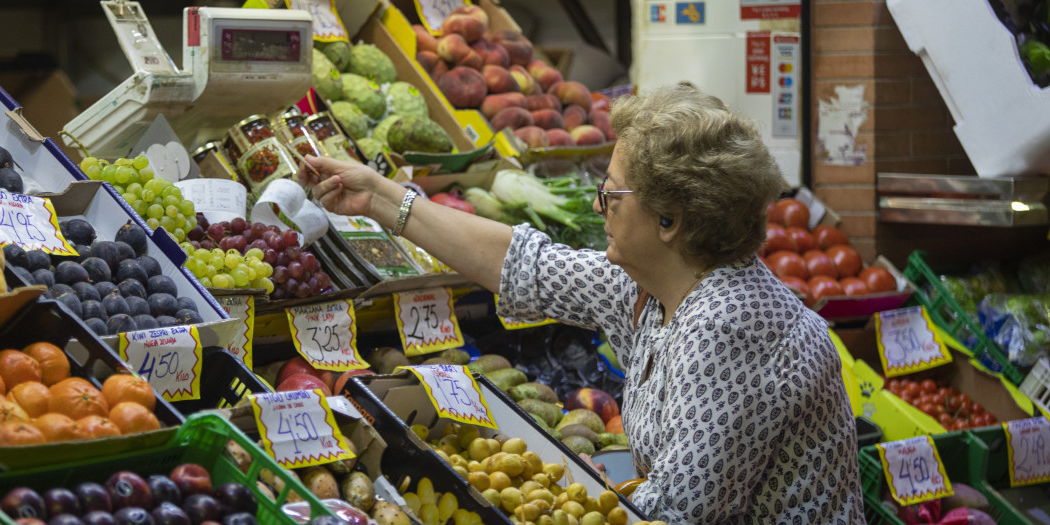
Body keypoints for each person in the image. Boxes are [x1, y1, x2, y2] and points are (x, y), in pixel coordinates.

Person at [297, 83, 866, 524]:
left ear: (671, 221)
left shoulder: (729, 327)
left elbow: (673, 514)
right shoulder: (654, 284)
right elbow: (523, 264)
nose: (599, 207)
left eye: (611, 194)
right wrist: (382, 196)